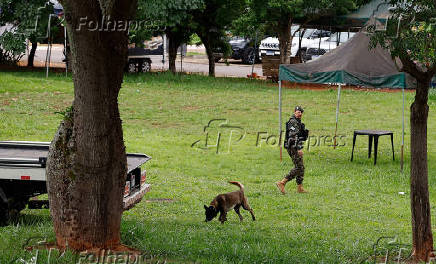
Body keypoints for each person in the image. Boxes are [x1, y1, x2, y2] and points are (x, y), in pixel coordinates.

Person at [276, 106, 309, 194]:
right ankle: (282, 182)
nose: (300, 114)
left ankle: (300, 188)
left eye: (301, 112)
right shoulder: (293, 122)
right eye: (298, 112)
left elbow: (300, 136)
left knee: (301, 167)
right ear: (294, 112)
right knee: (299, 167)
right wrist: (299, 148)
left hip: (295, 146)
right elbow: (293, 136)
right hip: (292, 146)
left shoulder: (298, 122)